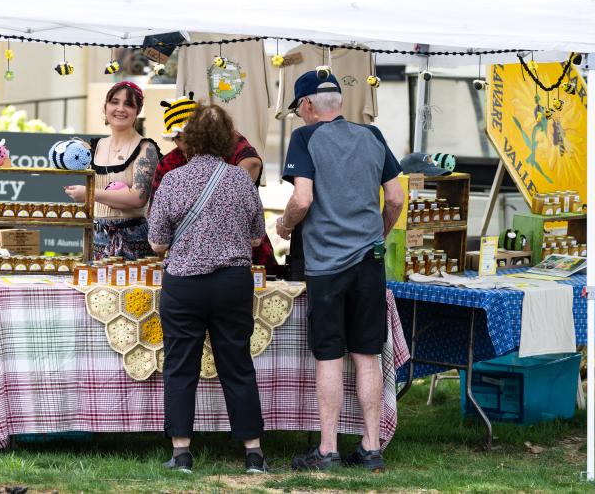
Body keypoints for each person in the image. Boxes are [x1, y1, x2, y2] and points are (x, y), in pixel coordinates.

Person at [277, 71, 404, 472]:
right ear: (340, 103)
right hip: (369, 261)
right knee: (367, 354)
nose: (299, 116)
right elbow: (396, 198)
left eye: (298, 108)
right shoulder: (374, 136)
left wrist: (284, 226)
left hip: (326, 265)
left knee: (329, 355)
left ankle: (328, 450)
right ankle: (371, 448)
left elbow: (302, 198)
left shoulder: (305, 138)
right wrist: (376, 235)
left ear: (308, 105)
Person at [148, 104, 268, 474]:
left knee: (181, 365)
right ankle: (253, 453)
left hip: (184, 284)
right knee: (237, 364)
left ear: (189, 139)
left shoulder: (173, 180)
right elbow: (257, 235)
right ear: (226, 140)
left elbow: (156, 243)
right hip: (232, 284)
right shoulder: (239, 180)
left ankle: (182, 451)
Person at [151, 93, 280, 275]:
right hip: (192, 261)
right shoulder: (168, 164)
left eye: (190, 134)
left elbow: (252, 163)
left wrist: (224, 197)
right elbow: (158, 229)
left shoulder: (228, 143)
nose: (187, 141)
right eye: (180, 137)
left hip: (244, 257)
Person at [64, 81, 160, 260]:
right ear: (106, 106)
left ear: (138, 111)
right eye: (114, 102)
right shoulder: (94, 146)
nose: (120, 108)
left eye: (128, 104)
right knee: (95, 288)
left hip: (134, 240)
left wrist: (90, 194)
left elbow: (138, 198)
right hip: (97, 237)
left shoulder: (145, 148)